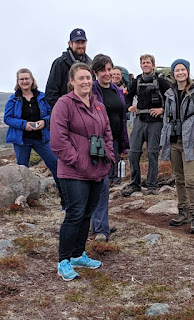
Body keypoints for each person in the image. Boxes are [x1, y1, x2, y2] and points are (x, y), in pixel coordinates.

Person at [50, 63, 114, 281]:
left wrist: (109, 158)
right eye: (81, 78)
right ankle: (64, 260)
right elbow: (58, 141)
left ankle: (78, 254)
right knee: (75, 214)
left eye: (88, 78)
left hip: (97, 169)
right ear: (72, 81)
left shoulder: (98, 105)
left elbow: (107, 134)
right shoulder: (63, 104)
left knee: (87, 213)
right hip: (73, 171)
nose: (86, 82)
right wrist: (77, 161)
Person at [160, 59, 194, 234]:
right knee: (178, 178)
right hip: (174, 141)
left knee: (191, 179)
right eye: (177, 70)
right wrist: (163, 142)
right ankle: (183, 211)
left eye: (183, 69)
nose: (180, 73)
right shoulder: (169, 93)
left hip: (191, 142)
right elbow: (166, 120)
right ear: (173, 73)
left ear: (188, 72)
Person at [4, 68, 62, 201]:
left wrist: (44, 121)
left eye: (26, 78)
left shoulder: (42, 97)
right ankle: (23, 199)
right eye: (21, 79)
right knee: (22, 170)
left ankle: (63, 193)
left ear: (32, 80)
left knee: (55, 163)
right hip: (22, 140)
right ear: (18, 82)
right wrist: (23, 124)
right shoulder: (14, 99)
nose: (24, 81)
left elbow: (52, 113)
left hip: (41, 138)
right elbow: (7, 118)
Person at [90, 54, 129, 242]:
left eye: (109, 69)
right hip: (96, 142)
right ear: (95, 72)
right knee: (101, 183)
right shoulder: (92, 90)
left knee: (105, 184)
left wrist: (123, 145)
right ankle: (100, 228)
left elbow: (121, 119)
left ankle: (99, 224)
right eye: (103, 70)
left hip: (113, 141)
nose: (107, 73)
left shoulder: (117, 91)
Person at [122, 54, 171, 196]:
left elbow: (171, 98)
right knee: (133, 153)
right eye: (143, 63)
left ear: (153, 65)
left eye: (148, 63)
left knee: (152, 153)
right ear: (141, 65)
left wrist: (162, 109)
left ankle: (152, 186)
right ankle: (135, 184)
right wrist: (129, 106)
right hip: (140, 120)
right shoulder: (137, 81)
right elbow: (128, 96)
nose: (146, 65)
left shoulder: (161, 81)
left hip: (156, 122)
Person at [45, 28, 91, 109]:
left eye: (83, 42)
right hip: (66, 113)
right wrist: (66, 109)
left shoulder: (90, 64)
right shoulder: (60, 63)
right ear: (70, 43)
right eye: (77, 42)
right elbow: (51, 94)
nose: (80, 46)